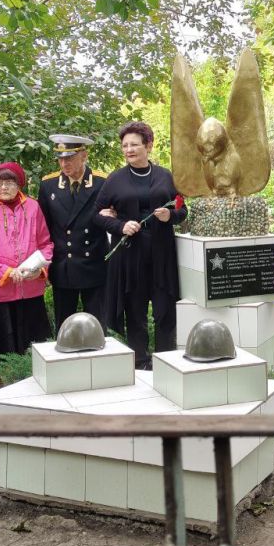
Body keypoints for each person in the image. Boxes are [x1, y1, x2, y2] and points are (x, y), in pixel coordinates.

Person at [95, 121, 187, 369]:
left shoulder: (166, 176)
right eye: (124, 145)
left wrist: (172, 216)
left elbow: (182, 208)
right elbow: (96, 215)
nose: (128, 150)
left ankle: (167, 362)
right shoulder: (115, 179)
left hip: (162, 256)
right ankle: (140, 363)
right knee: (134, 313)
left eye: (134, 144)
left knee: (165, 311)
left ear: (148, 145)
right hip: (130, 257)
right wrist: (120, 226)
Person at [0, 162, 54, 360]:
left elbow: (45, 244)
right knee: (1, 353)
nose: (3, 187)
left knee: (35, 349)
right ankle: (3, 387)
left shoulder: (33, 207)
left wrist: (39, 271)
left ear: (19, 184)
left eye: (9, 182)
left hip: (30, 291)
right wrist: (4, 272)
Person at [38, 134, 109, 328]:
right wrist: (44, 265)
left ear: (84, 155)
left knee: (96, 327)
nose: (64, 163)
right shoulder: (48, 185)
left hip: (94, 263)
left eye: (69, 158)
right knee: (64, 326)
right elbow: (44, 229)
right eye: (60, 158)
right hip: (63, 265)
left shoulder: (102, 183)